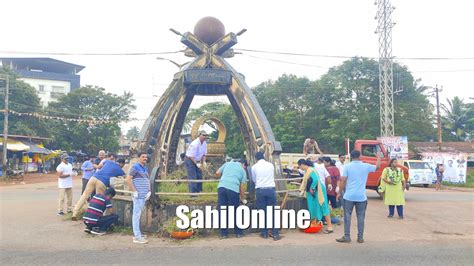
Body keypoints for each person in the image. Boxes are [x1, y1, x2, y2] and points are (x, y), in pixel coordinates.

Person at [336, 150, 382, 244]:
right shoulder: (365, 166)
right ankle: (360, 237)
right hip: (361, 197)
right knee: (360, 217)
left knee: (347, 216)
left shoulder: (347, 166)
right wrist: (379, 157)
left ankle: (347, 236)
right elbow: (377, 167)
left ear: (350, 156)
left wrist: (339, 192)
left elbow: (343, 180)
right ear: (360, 156)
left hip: (349, 196)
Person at [298, 159, 333, 233]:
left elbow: (315, 180)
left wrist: (312, 188)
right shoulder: (309, 170)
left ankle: (330, 227)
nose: (299, 167)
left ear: (302, 164)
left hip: (318, 191)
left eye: (299, 166)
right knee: (315, 207)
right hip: (315, 192)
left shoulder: (310, 170)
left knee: (323, 206)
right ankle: (315, 224)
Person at [252, 152, 281, 241]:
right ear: (263, 157)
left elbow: (254, 180)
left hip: (260, 190)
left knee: (262, 212)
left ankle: (264, 233)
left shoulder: (254, 167)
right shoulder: (270, 165)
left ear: (256, 158)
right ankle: (275, 233)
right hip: (271, 190)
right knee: (272, 212)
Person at [216, 159, 247, 239]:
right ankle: (238, 232)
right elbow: (242, 187)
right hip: (233, 190)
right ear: (243, 164)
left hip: (221, 187)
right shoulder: (243, 171)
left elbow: (217, 173)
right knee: (235, 211)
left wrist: (224, 177)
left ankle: (223, 234)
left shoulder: (227, 164)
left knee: (222, 210)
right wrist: (243, 198)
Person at [127, 152, 151, 244]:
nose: (145, 158)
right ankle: (137, 236)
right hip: (138, 195)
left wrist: (149, 191)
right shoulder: (135, 167)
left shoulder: (145, 168)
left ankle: (138, 234)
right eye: (143, 157)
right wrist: (134, 191)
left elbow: (147, 180)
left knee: (138, 214)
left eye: (146, 157)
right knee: (136, 215)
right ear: (139, 158)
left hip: (143, 195)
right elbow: (128, 179)